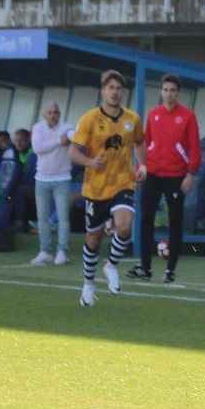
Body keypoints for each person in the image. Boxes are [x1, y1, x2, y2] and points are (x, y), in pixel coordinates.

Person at [69, 70, 147, 308]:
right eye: (110, 88)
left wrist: (142, 165)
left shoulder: (132, 119)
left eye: (118, 88)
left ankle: (111, 265)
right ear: (103, 91)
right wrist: (90, 162)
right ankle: (88, 283)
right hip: (95, 189)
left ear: (123, 92)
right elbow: (73, 152)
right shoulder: (89, 119)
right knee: (94, 238)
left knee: (124, 225)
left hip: (123, 182)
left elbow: (140, 142)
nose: (114, 92)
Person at [132, 74, 202, 284]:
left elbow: (195, 148)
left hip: (176, 176)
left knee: (175, 222)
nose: (169, 94)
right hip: (152, 173)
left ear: (178, 93)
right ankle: (145, 267)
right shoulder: (153, 114)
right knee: (145, 218)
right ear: (160, 92)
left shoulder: (188, 116)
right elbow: (145, 143)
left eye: (173, 90)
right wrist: (140, 168)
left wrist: (190, 174)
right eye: (165, 90)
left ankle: (170, 269)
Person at [29, 101, 75, 266]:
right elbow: (37, 148)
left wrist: (68, 139)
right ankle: (45, 251)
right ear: (44, 114)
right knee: (42, 217)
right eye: (50, 112)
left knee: (63, 217)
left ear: (59, 114)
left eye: (55, 112)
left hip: (62, 177)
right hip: (42, 178)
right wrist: (58, 141)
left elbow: (73, 136)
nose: (53, 115)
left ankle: (62, 251)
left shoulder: (66, 127)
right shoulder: (38, 128)